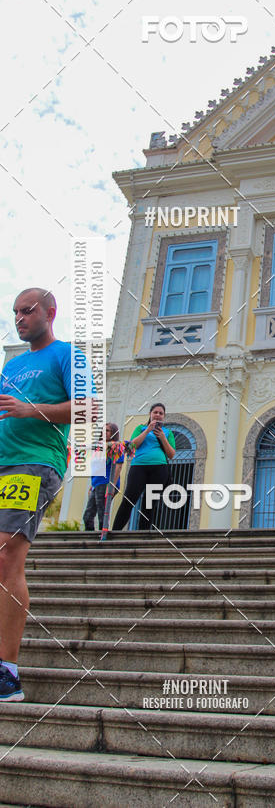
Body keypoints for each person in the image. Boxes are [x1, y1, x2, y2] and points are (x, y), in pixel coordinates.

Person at [0, 288, 87, 701]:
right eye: (15, 312)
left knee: (6, 555)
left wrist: (29, 409)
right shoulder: (13, 364)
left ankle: (7, 674)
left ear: (50, 312)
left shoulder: (68, 353)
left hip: (34, 463)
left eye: (27, 310)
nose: (19, 318)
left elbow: (87, 407)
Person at [112, 403, 176, 531]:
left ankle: (143, 534)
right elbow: (131, 446)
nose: (158, 415)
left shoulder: (168, 433)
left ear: (163, 416)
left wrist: (162, 437)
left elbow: (171, 454)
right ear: (150, 414)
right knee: (129, 499)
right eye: (155, 412)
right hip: (139, 467)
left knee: (150, 503)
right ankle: (115, 531)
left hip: (159, 468)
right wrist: (148, 430)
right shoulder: (140, 428)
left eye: (161, 413)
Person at [82, 423, 123, 531]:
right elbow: (96, 467)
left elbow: (118, 466)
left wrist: (111, 485)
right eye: (103, 431)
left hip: (106, 482)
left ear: (113, 433)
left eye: (107, 431)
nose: (104, 433)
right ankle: (90, 541)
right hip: (96, 484)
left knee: (102, 514)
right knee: (87, 517)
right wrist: (92, 485)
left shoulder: (115, 446)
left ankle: (102, 539)